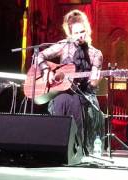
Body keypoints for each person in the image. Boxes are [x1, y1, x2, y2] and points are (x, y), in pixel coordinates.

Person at [36, 9, 104, 155]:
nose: (81, 35)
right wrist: (46, 71)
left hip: (83, 93)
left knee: (75, 102)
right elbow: (40, 55)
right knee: (61, 100)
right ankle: (56, 147)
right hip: (62, 90)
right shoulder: (64, 45)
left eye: (83, 31)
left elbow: (93, 85)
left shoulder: (95, 54)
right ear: (70, 34)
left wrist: (95, 80)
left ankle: (75, 149)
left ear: (88, 31)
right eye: (77, 33)